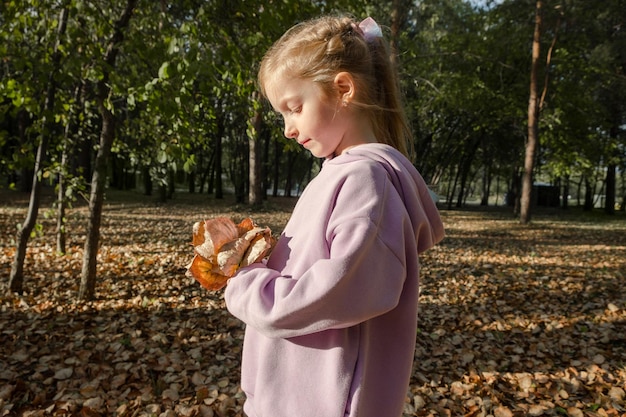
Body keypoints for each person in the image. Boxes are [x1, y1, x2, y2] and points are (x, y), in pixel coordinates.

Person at [224, 14, 445, 417]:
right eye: (282, 115)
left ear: (343, 89)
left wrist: (245, 281)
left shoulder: (366, 179)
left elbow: (337, 290)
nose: (288, 129)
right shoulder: (341, 174)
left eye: (294, 107)